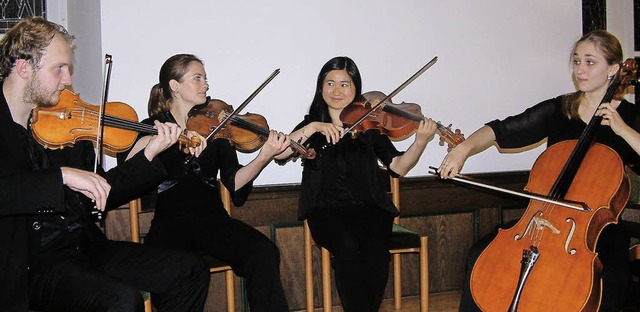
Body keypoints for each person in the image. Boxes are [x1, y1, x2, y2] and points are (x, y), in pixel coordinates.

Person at [0, 18, 210, 312]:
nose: (67, 80)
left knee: (189, 270)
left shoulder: (69, 129)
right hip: (30, 264)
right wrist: (60, 177)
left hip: (84, 248)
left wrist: (149, 153)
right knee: (121, 301)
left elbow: (102, 192)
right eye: (58, 68)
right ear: (24, 68)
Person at [437, 30, 640, 312]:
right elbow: (501, 129)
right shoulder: (560, 109)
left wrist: (623, 130)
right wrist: (463, 150)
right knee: (480, 254)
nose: (580, 69)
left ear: (614, 69)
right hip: (543, 220)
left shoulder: (630, 117)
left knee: (610, 280)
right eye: (577, 61)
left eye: (590, 62)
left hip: (598, 231)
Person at [120, 53, 291, 311]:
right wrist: (163, 137)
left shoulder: (218, 126)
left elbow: (234, 184)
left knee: (263, 252)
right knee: (176, 273)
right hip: (170, 226)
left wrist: (264, 156)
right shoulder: (155, 127)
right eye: (197, 78)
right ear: (174, 86)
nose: (206, 85)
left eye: (205, 78)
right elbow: (126, 161)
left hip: (213, 221)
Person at [274, 56, 437, 311]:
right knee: (347, 247)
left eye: (344, 84)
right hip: (325, 212)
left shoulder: (371, 126)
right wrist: (316, 126)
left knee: (375, 250)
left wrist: (420, 143)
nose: (337, 91)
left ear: (355, 89)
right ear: (320, 88)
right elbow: (280, 153)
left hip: (370, 210)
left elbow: (398, 167)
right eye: (330, 83)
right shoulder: (311, 126)